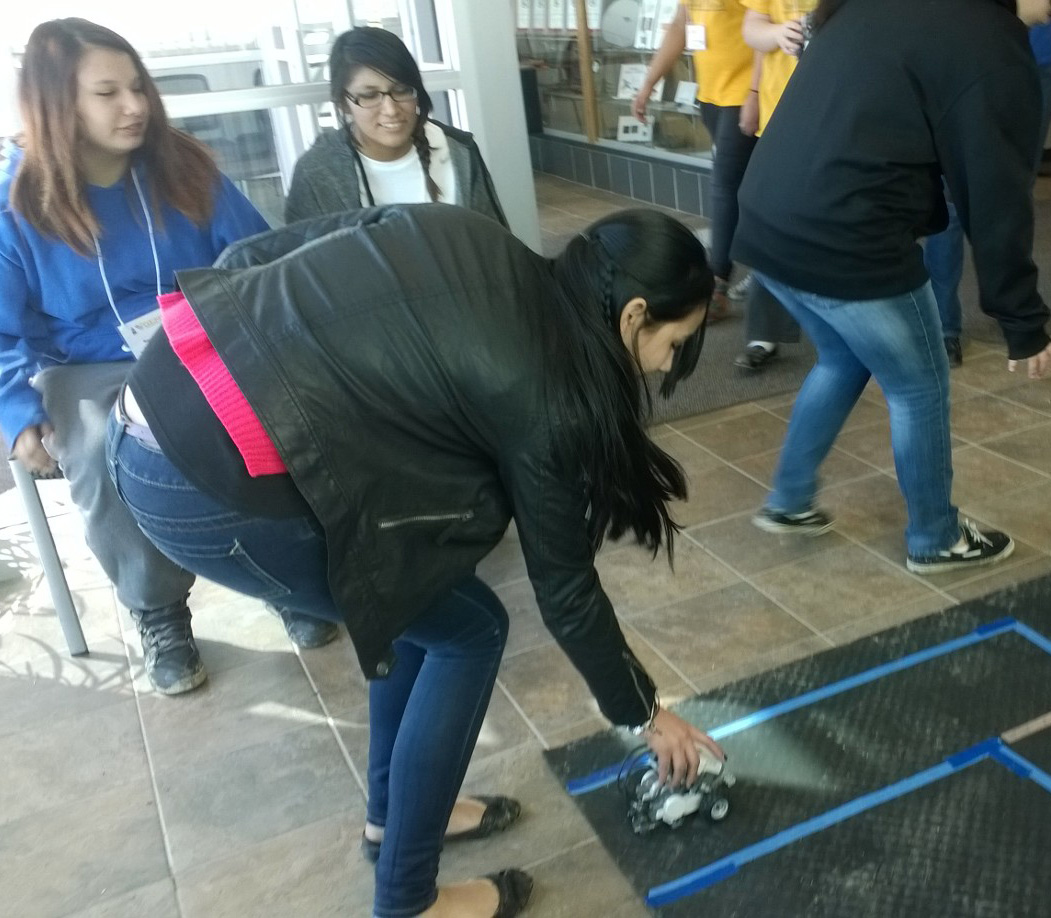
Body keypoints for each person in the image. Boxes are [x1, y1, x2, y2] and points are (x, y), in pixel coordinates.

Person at [107, 204, 726, 918]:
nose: (668, 364)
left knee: (414, 594)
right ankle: (408, 901)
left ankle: (391, 817)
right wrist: (646, 714)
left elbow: (280, 246)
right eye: (674, 344)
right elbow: (565, 589)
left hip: (159, 396)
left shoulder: (483, 244)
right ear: (633, 315)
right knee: (472, 630)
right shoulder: (546, 390)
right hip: (200, 482)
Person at [0, 18, 334, 698]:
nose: (134, 107)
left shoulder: (181, 166)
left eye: (137, 88)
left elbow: (257, 258)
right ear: (57, 103)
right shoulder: (18, 201)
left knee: (275, 414)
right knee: (100, 449)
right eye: (107, 93)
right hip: (85, 365)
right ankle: (158, 611)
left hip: (198, 338)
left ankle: (280, 573)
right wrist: (16, 412)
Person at [734, 0, 1051, 574]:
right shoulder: (991, 42)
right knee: (920, 388)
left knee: (841, 357)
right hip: (847, 237)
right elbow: (996, 198)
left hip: (765, 216)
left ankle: (788, 501)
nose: (1050, 13)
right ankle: (936, 537)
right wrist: (1022, 320)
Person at [923, 2, 1051, 367]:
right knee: (953, 201)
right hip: (976, 60)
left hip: (1040, 62)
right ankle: (943, 327)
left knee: (1014, 195)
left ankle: (1013, 310)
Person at [285, 27, 508, 227]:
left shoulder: (459, 151)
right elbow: (304, 267)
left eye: (401, 90)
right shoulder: (316, 173)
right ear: (343, 103)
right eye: (369, 95)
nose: (391, 110)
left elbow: (499, 250)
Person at [631, 0, 756, 322]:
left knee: (725, 184)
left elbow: (763, 22)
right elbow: (680, 25)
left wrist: (756, 93)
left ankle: (717, 283)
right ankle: (767, 272)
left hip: (744, 94)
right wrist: (648, 83)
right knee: (746, 185)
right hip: (712, 96)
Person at [731, 0, 816, 372]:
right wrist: (776, 33)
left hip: (843, 115)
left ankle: (856, 330)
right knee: (770, 226)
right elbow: (752, 28)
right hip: (779, 117)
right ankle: (764, 334)